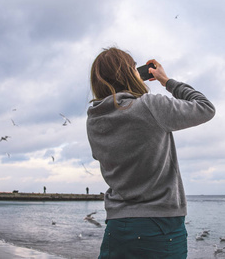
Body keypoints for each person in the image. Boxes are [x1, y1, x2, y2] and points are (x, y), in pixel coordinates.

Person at [86, 47, 215, 258]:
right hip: (159, 225)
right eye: (134, 69)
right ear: (129, 74)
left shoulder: (93, 119)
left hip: (117, 225)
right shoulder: (149, 106)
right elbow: (205, 107)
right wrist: (166, 81)